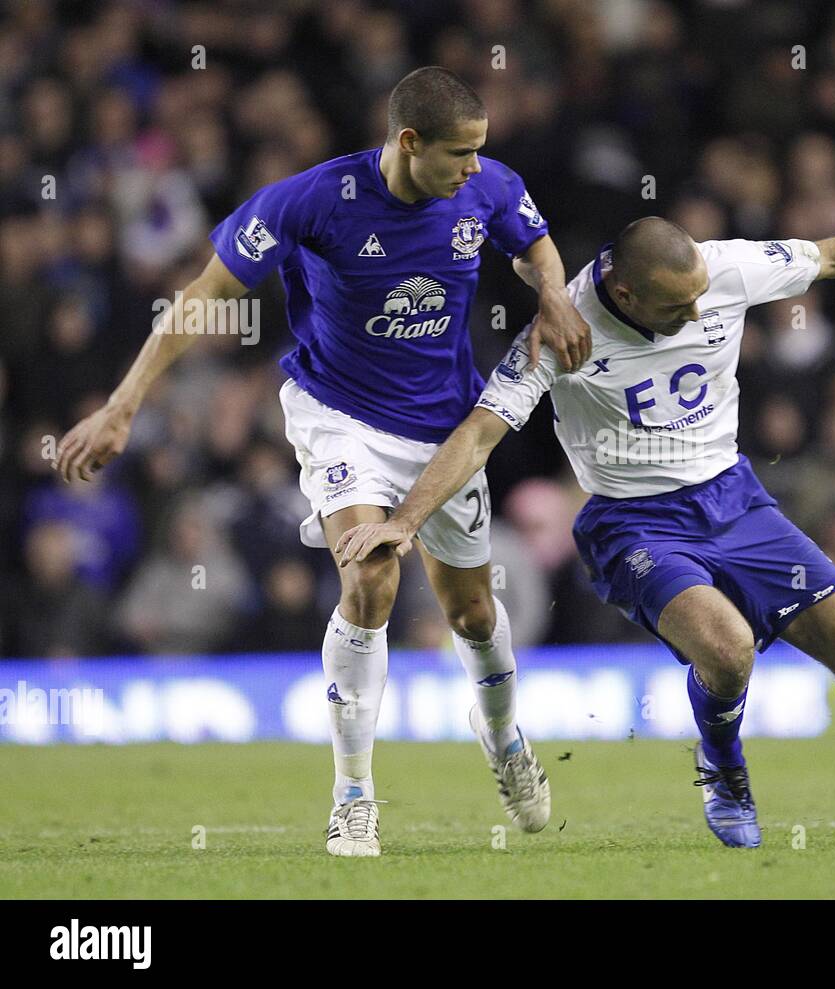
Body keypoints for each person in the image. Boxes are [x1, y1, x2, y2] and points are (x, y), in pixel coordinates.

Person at [334, 206, 835, 848]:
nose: (701, 306)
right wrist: (405, 519)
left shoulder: (722, 268)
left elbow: (833, 255)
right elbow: (480, 433)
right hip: (634, 524)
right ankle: (723, 765)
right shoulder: (562, 331)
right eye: (680, 304)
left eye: (702, 291)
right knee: (729, 649)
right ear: (625, 293)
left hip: (735, 500)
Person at [54, 67, 593, 857]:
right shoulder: (309, 200)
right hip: (338, 415)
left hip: (446, 428)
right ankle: (353, 793)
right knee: (369, 578)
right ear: (409, 143)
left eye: (480, 152)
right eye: (460, 154)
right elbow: (203, 293)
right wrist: (124, 402)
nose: (475, 168)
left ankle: (504, 737)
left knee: (473, 614)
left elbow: (536, 241)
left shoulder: (487, 187)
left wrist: (552, 293)